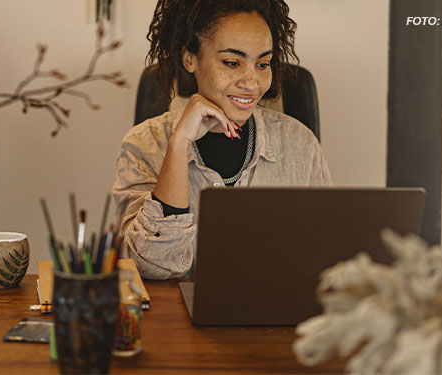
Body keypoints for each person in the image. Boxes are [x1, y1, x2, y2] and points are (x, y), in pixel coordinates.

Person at [112, 0, 332, 280]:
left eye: (263, 64)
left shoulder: (301, 144)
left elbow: (326, 258)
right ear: (190, 58)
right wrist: (179, 146)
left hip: (273, 320)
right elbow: (151, 268)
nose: (252, 82)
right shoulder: (143, 144)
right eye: (232, 63)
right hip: (175, 321)